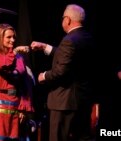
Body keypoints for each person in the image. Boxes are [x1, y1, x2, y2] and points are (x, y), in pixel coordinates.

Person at [30, 4, 95, 141]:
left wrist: (44, 76)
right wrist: (45, 47)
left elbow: (61, 71)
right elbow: (70, 58)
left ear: (68, 20)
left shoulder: (69, 40)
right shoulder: (87, 38)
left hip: (64, 102)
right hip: (83, 101)